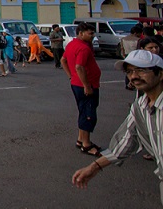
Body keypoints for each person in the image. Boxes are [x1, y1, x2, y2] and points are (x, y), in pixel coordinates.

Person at [71, 50, 163, 205]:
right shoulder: (140, 107)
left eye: (141, 70)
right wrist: (94, 168)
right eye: (129, 71)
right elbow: (125, 141)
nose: (134, 76)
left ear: (160, 74)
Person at [61, 22, 101, 157]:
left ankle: (80, 139)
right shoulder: (83, 48)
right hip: (85, 85)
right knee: (88, 113)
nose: (92, 36)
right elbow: (79, 67)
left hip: (76, 83)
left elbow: (63, 60)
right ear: (81, 33)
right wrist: (86, 85)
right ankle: (86, 144)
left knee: (83, 110)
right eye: (90, 33)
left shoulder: (72, 44)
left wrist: (71, 77)